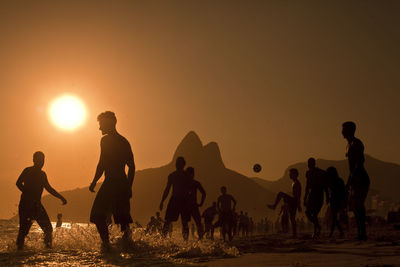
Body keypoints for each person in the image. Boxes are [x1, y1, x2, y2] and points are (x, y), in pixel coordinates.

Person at [89, 111, 135, 250]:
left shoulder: (107, 140)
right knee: (123, 221)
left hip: (112, 183)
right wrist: (128, 186)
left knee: (97, 215)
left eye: (101, 124)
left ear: (110, 123)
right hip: (121, 183)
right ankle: (128, 248)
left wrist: (94, 181)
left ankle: (107, 245)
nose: (99, 128)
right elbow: (131, 167)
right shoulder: (124, 141)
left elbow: (102, 163)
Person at [16, 151, 67, 250]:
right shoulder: (27, 170)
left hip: (36, 205)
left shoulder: (42, 174)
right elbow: (18, 183)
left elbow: (49, 188)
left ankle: (47, 249)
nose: (42, 162)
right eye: (39, 160)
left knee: (48, 229)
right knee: (23, 230)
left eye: (43, 160)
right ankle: (18, 252)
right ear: (34, 160)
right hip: (26, 205)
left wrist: (61, 197)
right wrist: (27, 193)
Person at [342, 121, 370, 240]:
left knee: (358, 205)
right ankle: (360, 232)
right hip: (354, 178)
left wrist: (351, 180)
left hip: (361, 178)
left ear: (350, 130)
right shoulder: (348, 145)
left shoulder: (356, 143)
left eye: (344, 129)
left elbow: (359, 163)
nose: (342, 132)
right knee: (354, 206)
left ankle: (362, 233)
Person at [268, 168, 302, 237]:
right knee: (292, 218)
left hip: (294, 201)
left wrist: (298, 205)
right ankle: (294, 234)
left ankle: (274, 206)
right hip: (294, 201)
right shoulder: (294, 183)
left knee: (280, 193)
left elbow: (298, 196)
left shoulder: (297, 183)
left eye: (290, 173)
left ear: (294, 174)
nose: (289, 175)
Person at [159, 157, 187, 238]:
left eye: (179, 163)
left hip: (184, 201)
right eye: (177, 163)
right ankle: (163, 239)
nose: (177, 165)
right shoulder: (172, 175)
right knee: (167, 221)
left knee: (184, 222)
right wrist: (162, 201)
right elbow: (167, 189)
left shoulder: (186, 175)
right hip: (174, 200)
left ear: (183, 165)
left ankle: (186, 242)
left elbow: (191, 189)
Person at [304, 158, 328, 239]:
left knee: (314, 214)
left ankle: (315, 231)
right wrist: (305, 198)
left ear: (313, 163)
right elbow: (307, 186)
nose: (308, 165)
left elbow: (325, 185)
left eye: (310, 163)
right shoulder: (308, 173)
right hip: (312, 195)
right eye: (308, 163)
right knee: (308, 213)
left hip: (319, 194)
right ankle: (317, 227)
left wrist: (327, 196)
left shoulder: (320, 172)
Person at [182, 167, 206, 240]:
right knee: (189, 223)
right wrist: (201, 203)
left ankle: (199, 239)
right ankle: (187, 240)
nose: (191, 175)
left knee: (196, 223)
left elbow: (204, 193)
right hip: (188, 206)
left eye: (191, 173)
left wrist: (201, 203)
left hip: (190, 206)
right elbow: (204, 193)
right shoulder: (194, 183)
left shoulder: (193, 183)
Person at [326, 166, 346, 238]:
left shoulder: (332, 181)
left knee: (334, 217)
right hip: (336, 200)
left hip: (335, 200)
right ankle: (339, 232)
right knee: (334, 218)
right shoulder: (339, 180)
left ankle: (333, 233)